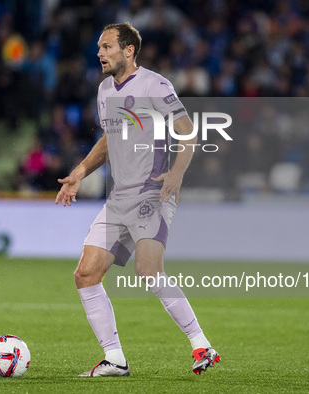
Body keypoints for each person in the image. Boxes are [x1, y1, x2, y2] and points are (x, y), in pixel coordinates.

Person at [55, 22, 220, 377]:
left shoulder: (155, 85)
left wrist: (176, 173)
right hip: (117, 198)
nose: (100, 53)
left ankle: (201, 344)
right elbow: (108, 139)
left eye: (107, 47)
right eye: (99, 48)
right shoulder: (103, 91)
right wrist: (81, 171)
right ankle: (114, 358)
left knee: (148, 271)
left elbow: (187, 133)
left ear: (128, 50)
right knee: (85, 274)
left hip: (152, 192)